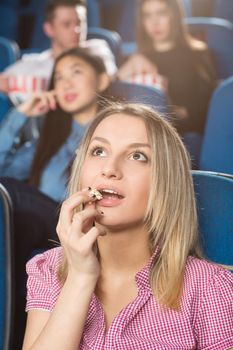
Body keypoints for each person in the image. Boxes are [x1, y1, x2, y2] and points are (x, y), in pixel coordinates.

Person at [23, 103, 233, 350]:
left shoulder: (210, 289)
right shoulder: (48, 269)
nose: (109, 169)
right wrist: (80, 277)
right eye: (99, 151)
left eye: (137, 156)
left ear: (166, 183)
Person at [0, 46, 110, 349]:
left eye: (76, 72)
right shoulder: (49, 138)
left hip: (74, 225)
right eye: (58, 77)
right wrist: (21, 115)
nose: (66, 84)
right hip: (32, 225)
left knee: (9, 193)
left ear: (101, 80)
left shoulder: (113, 137)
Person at [118, 0, 217, 135]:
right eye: (147, 15)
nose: (155, 22)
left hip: (183, 133)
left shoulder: (198, 54)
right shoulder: (137, 60)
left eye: (161, 13)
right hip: (143, 132)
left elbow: (207, 109)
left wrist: (174, 113)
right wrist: (122, 73)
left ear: (174, 15)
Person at [0, 0, 116, 104]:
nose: (76, 30)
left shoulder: (96, 48)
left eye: (80, 23)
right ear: (49, 29)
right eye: (66, 24)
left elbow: (109, 78)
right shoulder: (33, 62)